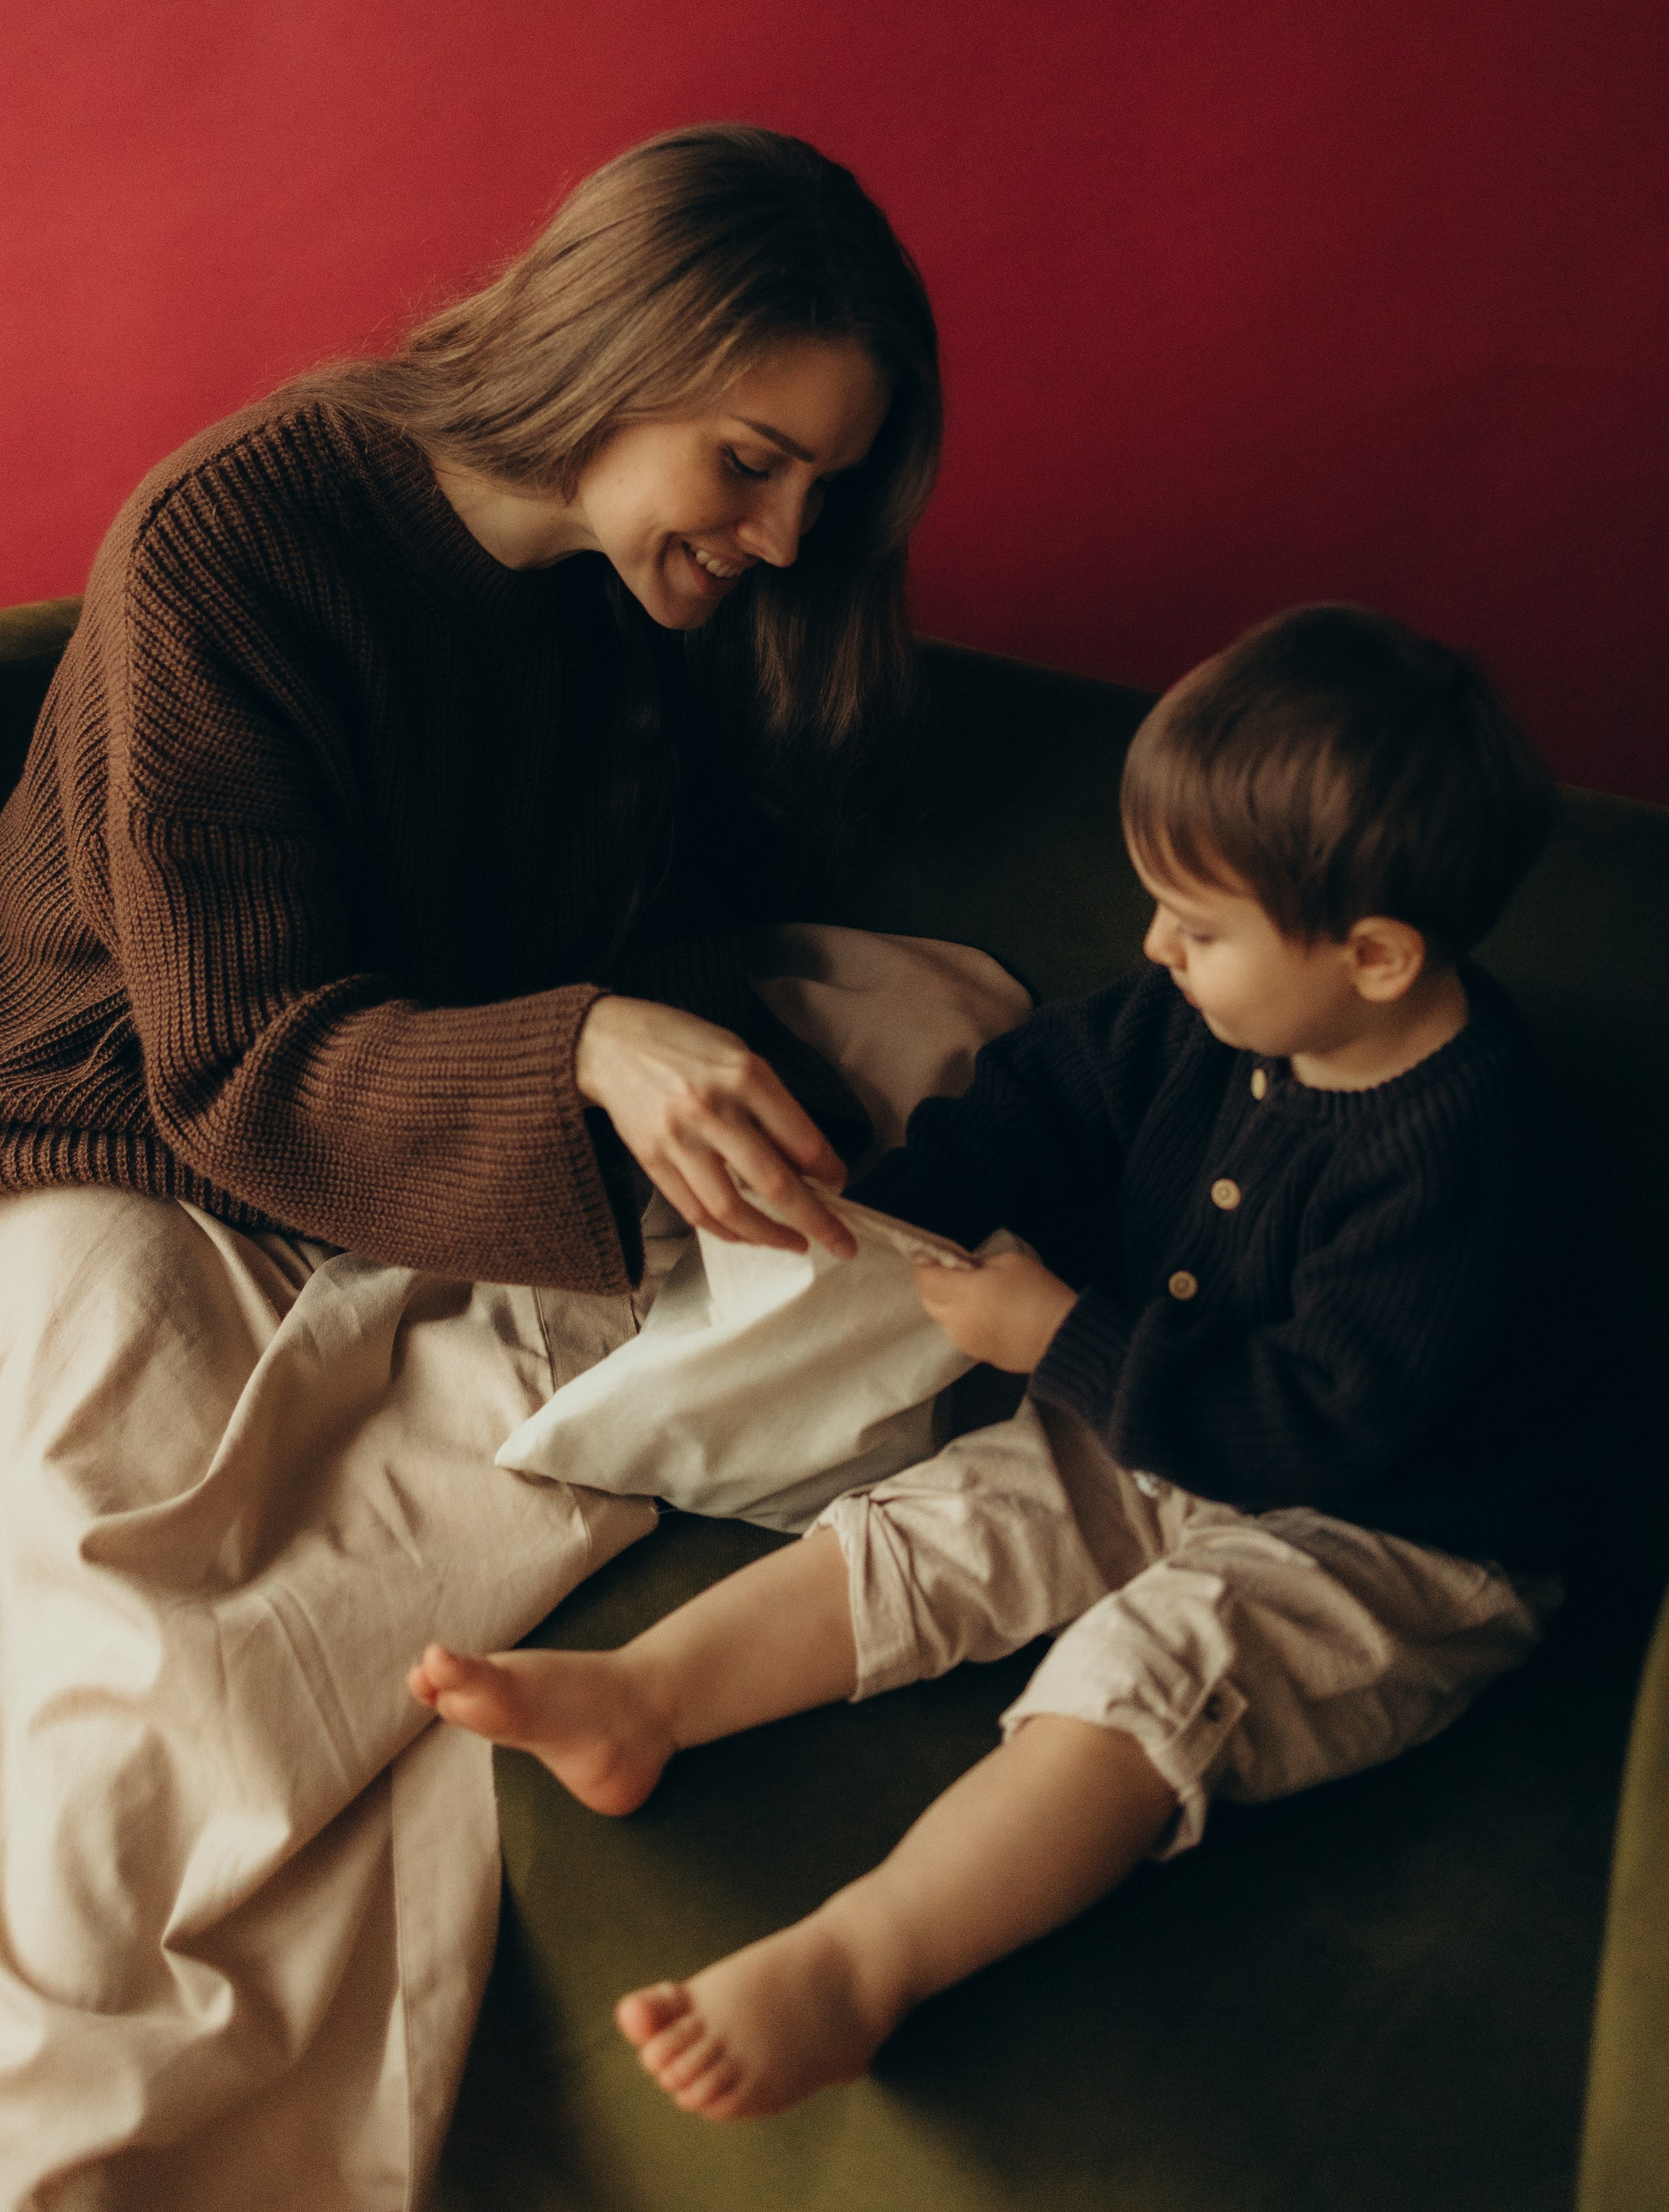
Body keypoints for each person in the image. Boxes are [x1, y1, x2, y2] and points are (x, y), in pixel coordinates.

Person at [0, 125, 941, 2210]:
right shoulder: (234, 541)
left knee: (930, 1037)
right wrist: (585, 1043)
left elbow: (672, 910)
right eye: (752, 462)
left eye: (824, 489)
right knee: (112, 1619)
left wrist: (661, 1021)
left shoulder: (654, 606)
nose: (785, 535)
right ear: (617, 353)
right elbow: (233, 1052)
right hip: (116, 1114)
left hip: (438, 1095)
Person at [411, 604, 1583, 2122]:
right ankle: (644, 1699)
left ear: (1373, 957)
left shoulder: (1466, 1152)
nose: (1153, 947)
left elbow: (1314, 1426)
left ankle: (861, 1963)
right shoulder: (1196, 1020)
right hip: (1176, 1405)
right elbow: (1047, 1102)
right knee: (965, 1511)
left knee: (1156, 1666)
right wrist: (894, 1223)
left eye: (1198, 926)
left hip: (1404, 1530)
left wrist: (1060, 1336)